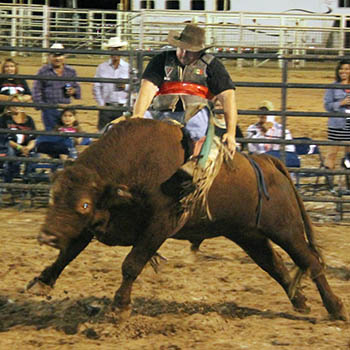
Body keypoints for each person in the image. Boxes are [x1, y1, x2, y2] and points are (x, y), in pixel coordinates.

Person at [132, 23, 238, 169]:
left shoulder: (212, 65)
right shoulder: (161, 60)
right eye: (181, 49)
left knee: (197, 127)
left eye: (189, 51)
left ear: (199, 51)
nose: (183, 54)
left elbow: (228, 97)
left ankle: (194, 165)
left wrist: (231, 133)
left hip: (195, 111)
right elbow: (147, 88)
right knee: (130, 130)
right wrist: (137, 115)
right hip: (160, 111)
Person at [32, 43, 81, 131]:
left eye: (60, 55)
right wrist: (43, 107)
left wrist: (73, 91)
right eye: (54, 55)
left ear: (64, 56)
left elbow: (77, 88)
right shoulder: (43, 71)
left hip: (65, 110)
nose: (57, 58)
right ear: (50, 57)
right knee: (52, 133)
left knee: (67, 133)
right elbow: (36, 90)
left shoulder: (71, 71)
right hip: (50, 109)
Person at [93, 37, 130, 131]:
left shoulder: (128, 67)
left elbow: (135, 86)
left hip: (122, 106)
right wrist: (102, 104)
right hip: (107, 106)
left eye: (117, 49)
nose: (115, 52)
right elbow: (96, 86)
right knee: (103, 133)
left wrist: (125, 86)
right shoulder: (102, 67)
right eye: (113, 49)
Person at [0, 95, 37, 183]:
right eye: (13, 104)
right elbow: (5, 139)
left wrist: (28, 148)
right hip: (9, 147)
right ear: (9, 106)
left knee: (35, 154)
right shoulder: (4, 119)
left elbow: (33, 138)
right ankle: (8, 182)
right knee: (10, 152)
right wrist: (20, 148)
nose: (16, 106)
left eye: (19, 104)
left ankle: (27, 182)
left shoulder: (29, 120)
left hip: (24, 147)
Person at [323, 59, 350, 170]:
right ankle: (329, 183)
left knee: (349, 156)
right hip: (337, 125)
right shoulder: (333, 87)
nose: (343, 71)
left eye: (347, 69)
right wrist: (341, 103)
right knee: (332, 153)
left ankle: (347, 183)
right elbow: (327, 106)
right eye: (341, 69)